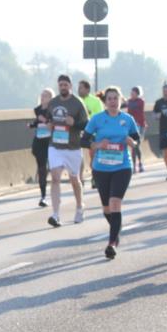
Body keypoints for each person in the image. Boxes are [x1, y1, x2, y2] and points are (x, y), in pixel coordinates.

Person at [84, 87, 140, 259]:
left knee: (115, 203)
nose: (113, 101)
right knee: (107, 208)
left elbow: (136, 139)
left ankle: (112, 243)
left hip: (122, 166)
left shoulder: (127, 119)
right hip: (101, 168)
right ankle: (116, 229)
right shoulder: (97, 119)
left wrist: (133, 143)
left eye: (116, 98)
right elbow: (84, 140)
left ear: (120, 100)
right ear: (105, 101)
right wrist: (98, 145)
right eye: (109, 98)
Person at [47, 75, 88, 227]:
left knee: (74, 180)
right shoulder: (53, 102)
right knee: (55, 177)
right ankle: (56, 214)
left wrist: (74, 123)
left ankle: (79, 207)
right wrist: (49, 125)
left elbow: (86, 125)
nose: (63, 87)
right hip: (55, 146)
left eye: (65, 84)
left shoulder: (77, 103)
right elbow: (48, 118)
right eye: (60, 85)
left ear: (70, 86)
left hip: (73, 147)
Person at [29, 88, 53, 207]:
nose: (43, 97)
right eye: (42, 95)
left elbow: (53, 124)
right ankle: (43, 196)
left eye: (46, 95)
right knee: (42, 168)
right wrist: (32, 124)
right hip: (39, 142)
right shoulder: (37, 110)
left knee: (50, 167)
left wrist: (45, 120)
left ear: (51, 98)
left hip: (51, 141)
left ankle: (49, 192)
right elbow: (37, 122)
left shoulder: (53, 110)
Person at [78, 80, 104, 187]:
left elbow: (99, 116)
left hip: (92, 132)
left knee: (93, 155)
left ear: (87, 89)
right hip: (78, 131)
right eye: (78, 88)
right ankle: (80, 179)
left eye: (81, 88)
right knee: (78, 157)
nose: (79, 90)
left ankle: (95, 177)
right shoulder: (76, 101)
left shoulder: (96, 101)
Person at [123, 87, 148, 173]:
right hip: (131, 126)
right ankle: (134, 165)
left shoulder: (140, 101)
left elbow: (134, 106)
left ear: (137, 94)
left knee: (137, 145)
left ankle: (140, 163)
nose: (131, 95)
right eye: (131, 93)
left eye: (133, 93)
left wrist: (127, 102)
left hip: (140, 125)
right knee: (133, 146)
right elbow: (122, 106)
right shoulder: (129, 101)